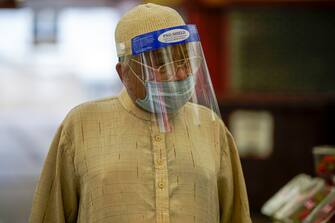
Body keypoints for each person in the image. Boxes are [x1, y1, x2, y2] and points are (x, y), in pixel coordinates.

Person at [29, 3, 251, 223]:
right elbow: (50, 214)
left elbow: (236, 216)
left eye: (185, 62)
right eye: (163, 66)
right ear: (124, 73)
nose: (181, 74)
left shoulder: (211, 127)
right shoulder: (81, 126)